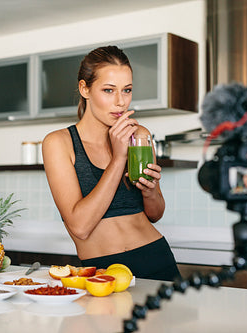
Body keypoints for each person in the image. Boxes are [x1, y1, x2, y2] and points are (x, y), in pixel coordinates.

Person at [42, 45, 180, 281]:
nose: (120, 102)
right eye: (108, 90)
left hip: (157, 258)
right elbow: (80, 227)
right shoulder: (59, 143)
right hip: (104, 270)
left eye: (127, 90)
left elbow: (155, 214)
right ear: (84, 89)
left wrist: (151, 191)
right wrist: (118, 159)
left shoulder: (140, 134)